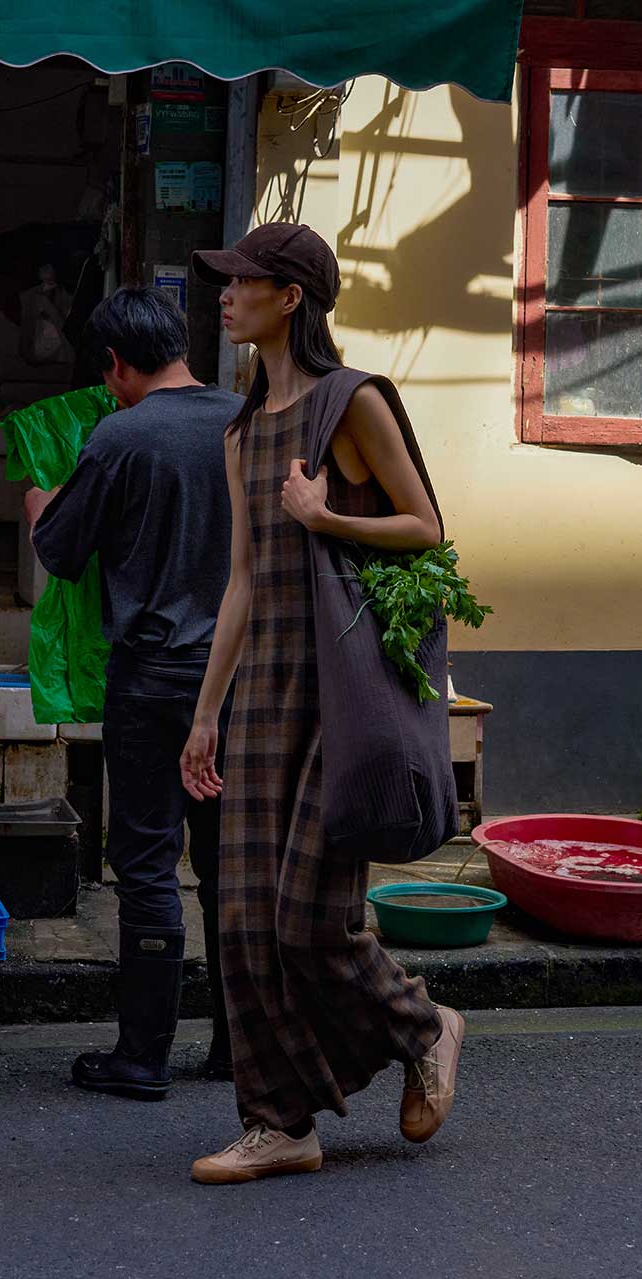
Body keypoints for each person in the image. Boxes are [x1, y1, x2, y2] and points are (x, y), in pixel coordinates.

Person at [181, 222, 464, 1184]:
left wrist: (326, 515)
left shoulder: (353, 402)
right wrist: (205, 711)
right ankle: (279, 1122)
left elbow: (425, 527)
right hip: (261, 690)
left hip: (339, 686)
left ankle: (424, 1024)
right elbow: (244, 584)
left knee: (310, 916)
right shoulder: (240, 429)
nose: (224, 298)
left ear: (290, 296)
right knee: (244, 922)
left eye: (241, 283)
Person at [24, 286, 240, 1096]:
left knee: (147, 861)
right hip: (234, 679)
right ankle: (234, 1048)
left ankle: (142, 1056)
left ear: (115, 363)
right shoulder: (241, 421)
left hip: (152, 682)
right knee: (226, 864)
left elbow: (62, 552)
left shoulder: (120, 435)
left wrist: (41, 503)